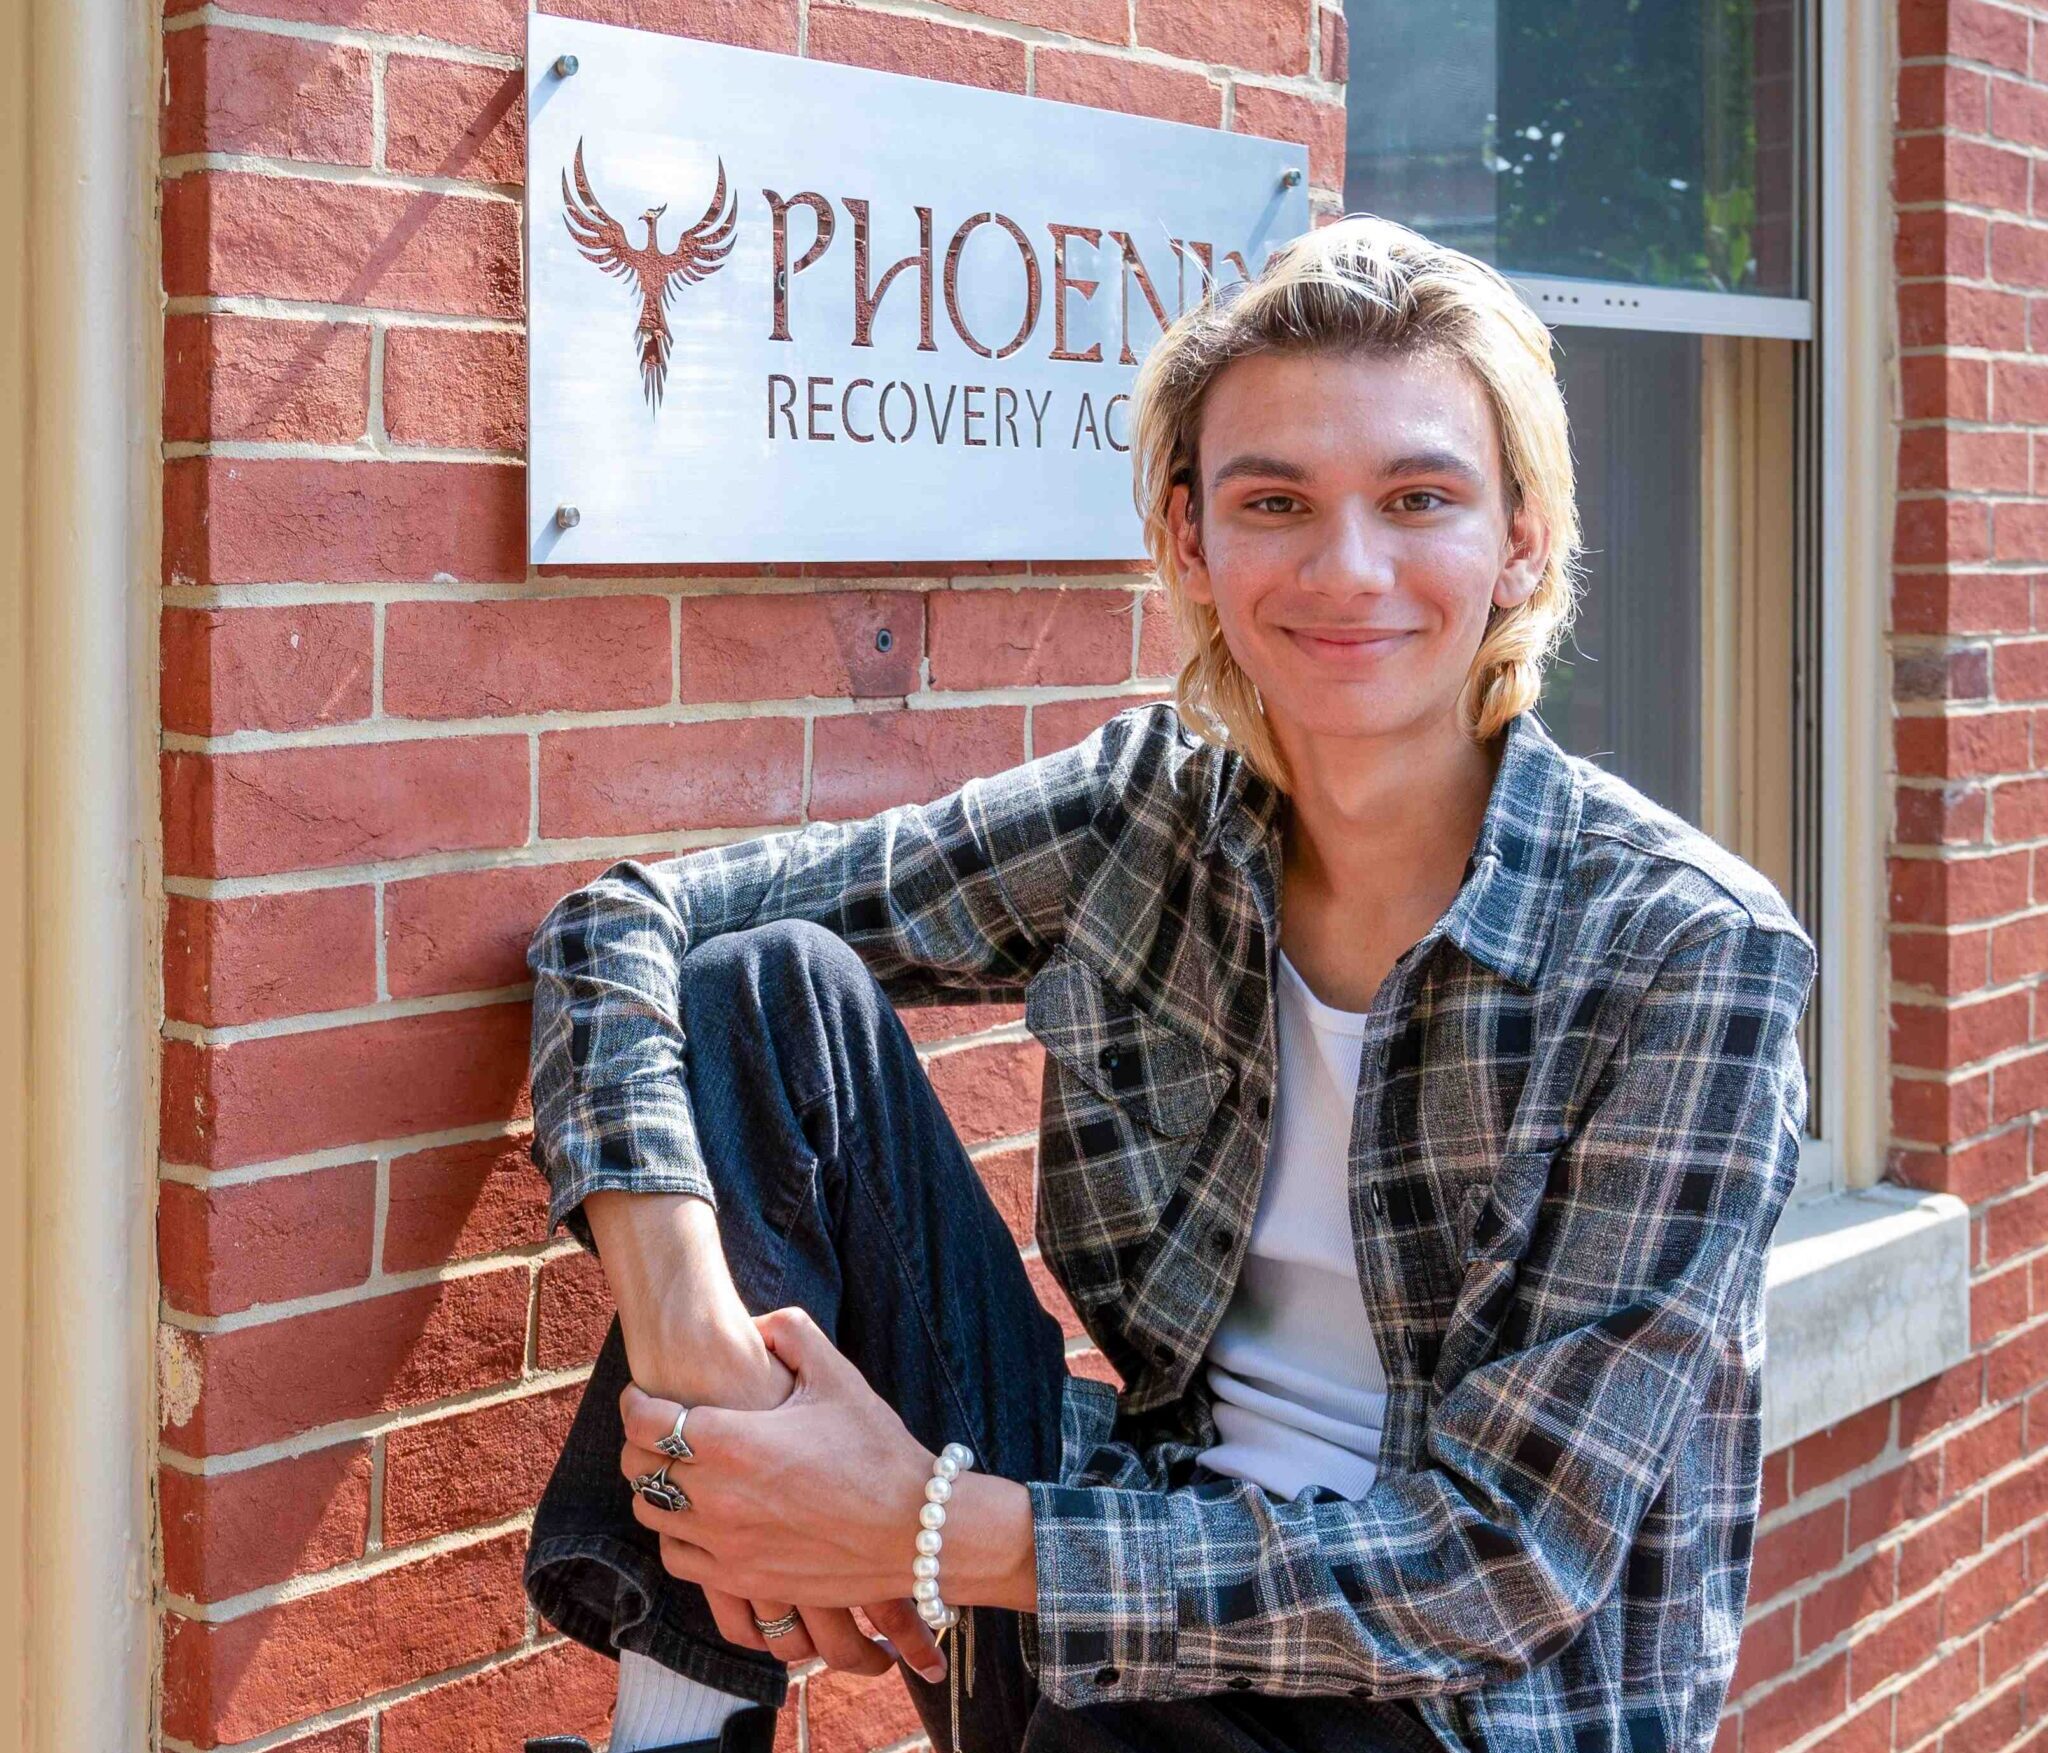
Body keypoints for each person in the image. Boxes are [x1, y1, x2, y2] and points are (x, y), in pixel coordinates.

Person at [516, 214, 1818, 1753]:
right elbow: (628, 925)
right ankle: (680, 1733)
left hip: (1450, 1711)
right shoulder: (1154, 813)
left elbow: (1501, 1565)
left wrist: (924, 1527)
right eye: (1276, 501)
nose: (1348, 567)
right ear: (1192, 543)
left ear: (1520, 537)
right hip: (1118, 1576)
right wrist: (691, 1332)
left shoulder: (1686, 952)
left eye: (1420, 497)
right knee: (767, 993)